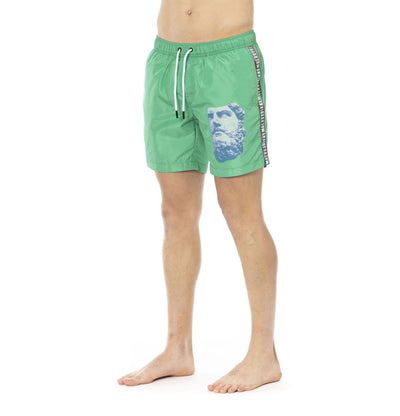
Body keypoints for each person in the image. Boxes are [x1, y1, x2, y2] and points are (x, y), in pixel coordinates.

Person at [118, 0, 282, 394]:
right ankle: (177, 349)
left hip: (226, 68)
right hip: (167, 65)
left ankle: (264, 355)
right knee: (174, 213)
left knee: (240, 211)